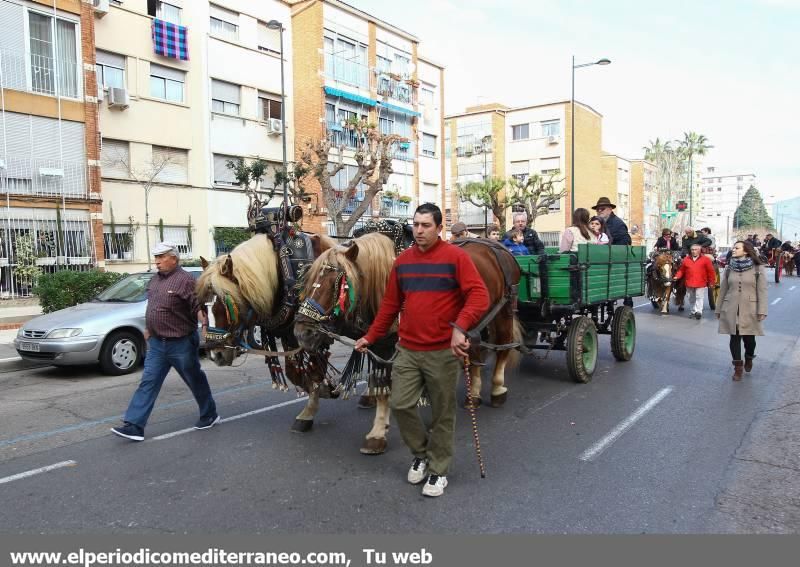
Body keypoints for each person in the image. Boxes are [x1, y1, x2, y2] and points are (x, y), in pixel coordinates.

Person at [354, 203, 490, 498]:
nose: (418, 230)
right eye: (415, 224)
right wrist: (371, 336)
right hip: (408, 349)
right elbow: (390, 304)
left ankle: (438, 471)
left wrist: (460, 327)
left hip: (442, 351)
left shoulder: (456, 257)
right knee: (401, 404)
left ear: (439, 228)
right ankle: (421, 453)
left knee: (443, 414)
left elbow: (479, 295)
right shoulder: (403, 261)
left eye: (425, 225)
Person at [111, 242, 219, 441]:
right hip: (157, 344)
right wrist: (148, 328)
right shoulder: (154, 281)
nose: (157, 261)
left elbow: (197, 306)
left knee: (194, 380)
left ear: (174, 258)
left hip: (181, 343)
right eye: (156, 257)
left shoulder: (185, 280)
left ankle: (209, 413)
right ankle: (134, 426)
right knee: (148, 382)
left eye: (161, 257)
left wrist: (204, 322)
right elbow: (153, 307)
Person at [715, 240, 767, 381]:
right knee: (734, 336)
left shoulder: (758, 268)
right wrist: (718, 309)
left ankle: (749, 356)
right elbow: (723, 289)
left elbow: (762, 291)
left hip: (750, 308)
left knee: (750, 339)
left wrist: (762, 310)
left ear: (745, 251)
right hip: (731, 307)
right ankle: (738, 367)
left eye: (736, 247)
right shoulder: (729, 268)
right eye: (733, 247)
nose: (733, 249)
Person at [674, 243, 716, 319]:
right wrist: (677, 276)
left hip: (701, 282)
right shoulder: (686, 259)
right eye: (692, 250)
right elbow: (681, 270)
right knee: (691, 298)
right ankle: (693, 311)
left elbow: (711, 272)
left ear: (699, 250)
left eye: (696, 249)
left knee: (699, 297)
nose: (694, 251)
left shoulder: (706, 260)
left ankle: (699, 311)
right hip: (689, 282)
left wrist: (711, 282)